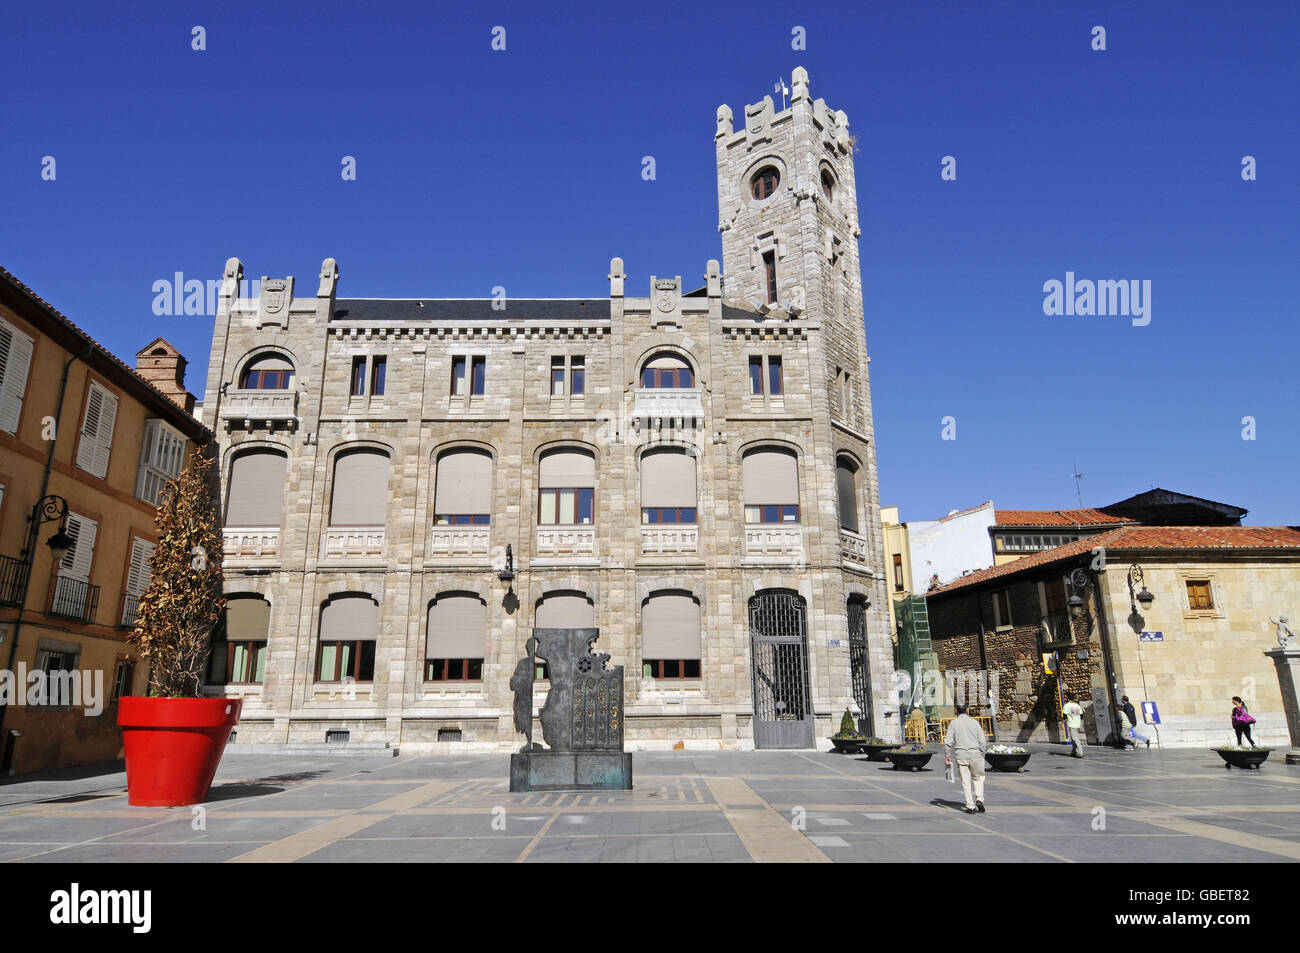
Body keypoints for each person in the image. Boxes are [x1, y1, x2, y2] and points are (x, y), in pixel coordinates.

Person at [943, 703, 988, 814]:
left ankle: (970, 805)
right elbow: (982, 741)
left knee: (965, 781)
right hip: (976, 755)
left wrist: (947, 755)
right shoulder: (975, 722)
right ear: (967, 710)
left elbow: (948, 742)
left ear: (955, 710)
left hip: (961, 756)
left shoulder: (953, 723)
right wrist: (982, 753)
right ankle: (979, 799)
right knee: (978, 778)